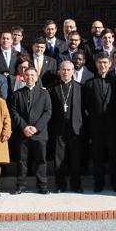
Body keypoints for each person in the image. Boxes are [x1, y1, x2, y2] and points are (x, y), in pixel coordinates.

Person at [9, 67, 52, 194]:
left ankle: (42, 185)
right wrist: (24, 127)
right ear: (23, 77)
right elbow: (14, 111)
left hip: (40, 133)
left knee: (41, 160)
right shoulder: (17, 94)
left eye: (32, 75)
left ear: (37, 77)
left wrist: (36, 127)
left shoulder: (44, 93)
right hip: (22, 133)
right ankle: (20, 186)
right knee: (22, 161)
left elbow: (48, 112)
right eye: (27, 75)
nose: (30, 78)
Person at [83, 52, 116, 192]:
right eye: (100, 62)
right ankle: (99, 184)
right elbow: (86, 105)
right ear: (96, 64)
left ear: (110, 64)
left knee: (114, 155)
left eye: (105, 62)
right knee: (97, 156)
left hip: (113, 126)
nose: (102, 65)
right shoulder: (90, 83)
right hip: (96, 126)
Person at [49, 61, 85, 193]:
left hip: (75, 128)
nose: (66, 72)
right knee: (59, 158)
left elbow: (84, 109)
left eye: (69, 70)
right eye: (63, 69)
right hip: (58, 128)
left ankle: (76, 184)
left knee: (75, 158)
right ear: (59, 71)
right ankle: (60, 185)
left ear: (73, 71)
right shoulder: (52, 88)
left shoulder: (80, 87)